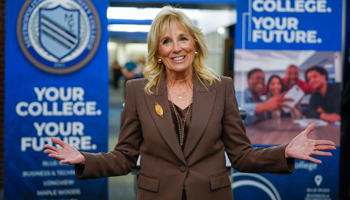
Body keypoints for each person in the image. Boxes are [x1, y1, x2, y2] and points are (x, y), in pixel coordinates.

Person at [44, 7, 335, 200]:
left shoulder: (221, 88)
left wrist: (285, 151)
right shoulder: (137, 91)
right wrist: (86, 159)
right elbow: (124, 158)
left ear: (195, 45)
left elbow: (242, 155)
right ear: (157, 52)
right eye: (166, 41)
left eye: (183, 38)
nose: (176, 47)